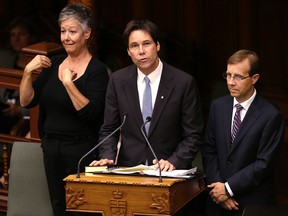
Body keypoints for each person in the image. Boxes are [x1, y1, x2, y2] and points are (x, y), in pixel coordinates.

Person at [19, 3, 109, 216]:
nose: (66, 37)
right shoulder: (55, 64)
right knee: (58, 207)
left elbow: (92, 113)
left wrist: (68, 83)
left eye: (72, 31)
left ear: (86, 34)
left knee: (82, 210)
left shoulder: (97, 71)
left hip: (82, 151)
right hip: (51, 148)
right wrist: (26, 72)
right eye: (63, 31)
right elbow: (26, 102)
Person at [90, 19, 203, 173]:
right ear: (128, 51)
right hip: (129, 171)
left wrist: (174, 161)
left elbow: (193, 135)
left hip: (170, 173)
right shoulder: (118, 81)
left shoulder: (183, 83)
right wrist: (107, 157)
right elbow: (109, 129)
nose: (141, 51)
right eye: (134, 46)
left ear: (157, 46)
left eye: (146, 44)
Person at [202, 49, 285, 216]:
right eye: (228, 75)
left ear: (254, 79)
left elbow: (264, 164)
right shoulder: (217, 106)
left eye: (238, 77)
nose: (231, 82)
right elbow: (209, 149)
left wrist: (228, 188)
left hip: (251, 204)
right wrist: (219, 188)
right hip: (216, 201)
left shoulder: (271, 115)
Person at [0, 16, 37, 135]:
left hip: (20, 118)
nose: (16, 39)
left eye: (21, 34)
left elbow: (40, 103)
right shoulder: (5, 58)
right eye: (12, 35)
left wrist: (19, 111)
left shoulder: (38, 64)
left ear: (31, 37)